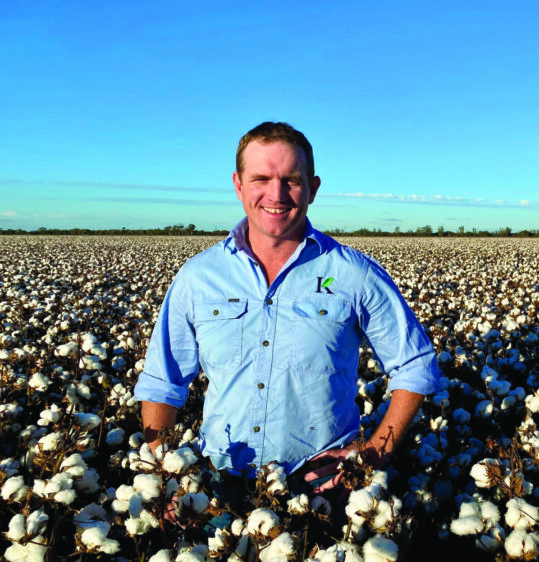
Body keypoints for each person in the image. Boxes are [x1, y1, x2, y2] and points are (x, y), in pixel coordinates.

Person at [134, 121, 440, 494]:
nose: (276, 194)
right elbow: (161, 383)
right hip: (217, 485)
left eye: (291, 180)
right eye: (261, 178)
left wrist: (374, 454)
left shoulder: (354, 274)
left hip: (324, 490)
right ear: (238, 185)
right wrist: (169, 475)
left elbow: (415, 364)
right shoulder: (199, 278)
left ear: (313, 188)